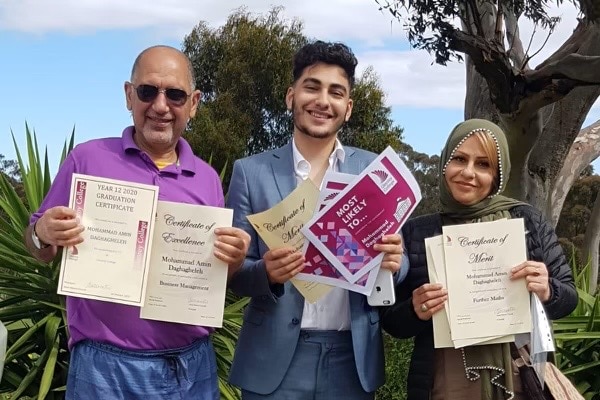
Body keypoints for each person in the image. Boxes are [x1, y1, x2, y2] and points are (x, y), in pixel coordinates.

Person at [24, 45, 250, 400]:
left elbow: (216, 276)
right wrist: (42, 232)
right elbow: (39, 247)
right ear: (129, 95)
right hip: (103, 369)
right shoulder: (87, 159)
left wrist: (233, 259)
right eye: (148, 91)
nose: (161, 106)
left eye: (175, 94)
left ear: (193, 104)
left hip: (190, 367)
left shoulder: (207, 179)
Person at [226, 40, 408, 400]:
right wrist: (265, 273)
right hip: (273, 361)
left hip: (351, 360)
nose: (323, 101)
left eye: (336, 92)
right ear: (290, 96)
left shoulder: (374, 172)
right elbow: (233, 273)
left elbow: (399, 269)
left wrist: (395, 262)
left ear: (348, 107)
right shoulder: (251, 172)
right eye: (312, 87)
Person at [380, 119, 578, 400]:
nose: (468, 172)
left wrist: (547, 289)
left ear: (497, 175)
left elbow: (568, 299)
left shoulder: (526, 221)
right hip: (445, 380)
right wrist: (415, 309)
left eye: (483, 164)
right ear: (445, 164)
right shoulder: (416, 231)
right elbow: (392, 322)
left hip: (518, 377)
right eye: (459, 159)